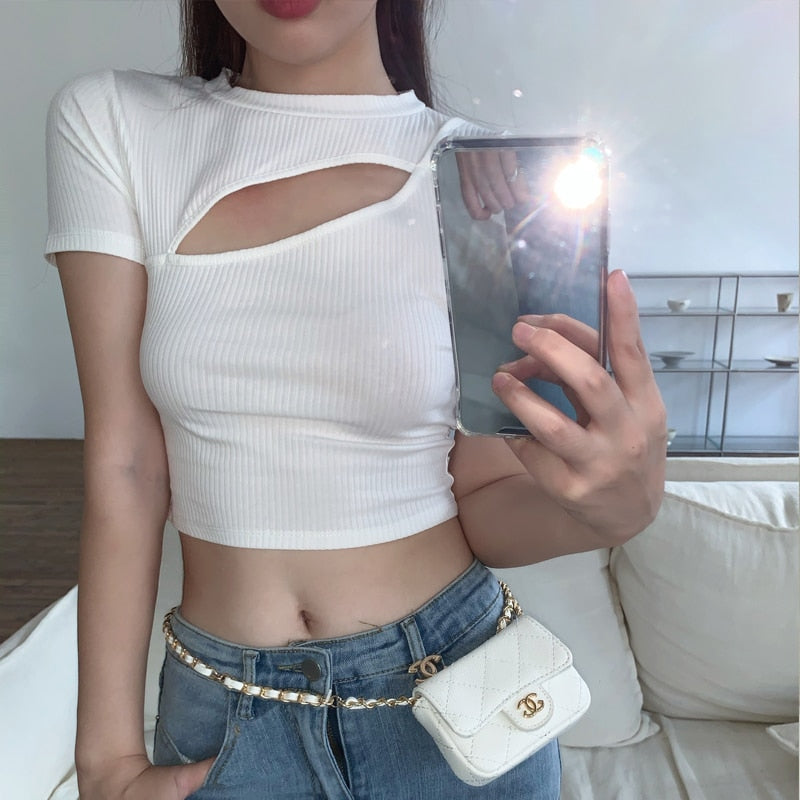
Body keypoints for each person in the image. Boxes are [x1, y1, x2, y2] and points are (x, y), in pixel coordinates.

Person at [44, 1, 666, 797]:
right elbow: (127, 464)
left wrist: (614, 511)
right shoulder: (115, 123)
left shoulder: (479, 179)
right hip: (225, 717)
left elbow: (476, 494)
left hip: (455, 701)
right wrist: (104, 761)